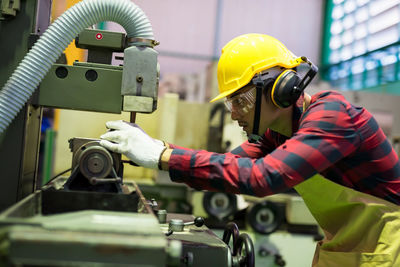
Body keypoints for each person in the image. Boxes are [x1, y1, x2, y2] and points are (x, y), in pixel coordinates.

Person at [100, 34, 400, 266]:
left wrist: (163, 157)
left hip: (389, 250)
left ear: (281, 90)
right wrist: (159, 149)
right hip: (352, 249)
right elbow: (230, 166)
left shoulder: (332, 116)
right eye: (232, 104)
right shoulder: (278, 134)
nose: (234, 114)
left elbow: (263, 177)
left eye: (241, 102)